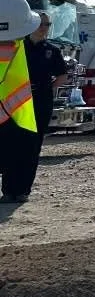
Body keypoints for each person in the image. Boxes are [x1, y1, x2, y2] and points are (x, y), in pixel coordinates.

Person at [4, 12, 68, 203]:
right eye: (40, 24)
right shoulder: (16, 46)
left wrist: (46, 89)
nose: (43, 28)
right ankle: (8, 190)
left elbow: (62, 75)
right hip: (15, 103)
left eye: (47, 25)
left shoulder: (52, 50)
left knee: (32, 147)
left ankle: (23, 190)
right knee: (11, 144)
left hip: (39, 103)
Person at [0, 0, 41, 205]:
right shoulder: (23, 49)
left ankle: (10, 191)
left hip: (10, 115)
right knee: (22, 155)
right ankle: (17, 190)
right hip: (20, 115)